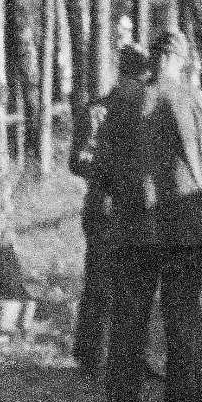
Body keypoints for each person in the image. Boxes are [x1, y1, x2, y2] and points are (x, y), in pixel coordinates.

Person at [94, 30, 202, 402]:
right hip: (184, 231)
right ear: (182, 60)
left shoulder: (122, 102)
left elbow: (101, 167)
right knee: (183, 318)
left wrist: (124, 192)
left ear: (154, 57)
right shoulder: (201, 103)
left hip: (133, 229)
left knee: (129, 318)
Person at [68, 45, 153, 377]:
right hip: (104, 209)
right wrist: (113, 172)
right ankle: (90, 356)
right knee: (100, 283)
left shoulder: (146, 113)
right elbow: (78, 160)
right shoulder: (98, 112)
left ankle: (131, 356)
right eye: (138, 80)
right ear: (125, 77)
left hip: (137, 210)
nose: (141, 87)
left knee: (136, 286)